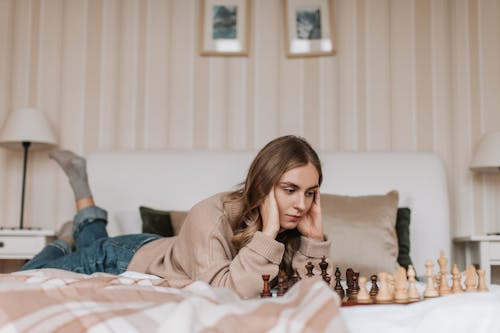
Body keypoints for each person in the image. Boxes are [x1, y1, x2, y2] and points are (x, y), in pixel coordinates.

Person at [22, 135, 331, 299]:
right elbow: (226, 293)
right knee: (27, 273)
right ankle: (65, 240)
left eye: (309, 193)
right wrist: (268, 234)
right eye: (290, 189)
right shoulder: (211, 215)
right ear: (263, 184)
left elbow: (311, 293)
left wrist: (314, 241)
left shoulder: (291, 222)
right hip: (120, 259)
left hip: (160, 250)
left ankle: (82, 216)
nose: (301, 204)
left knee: (95, 242)